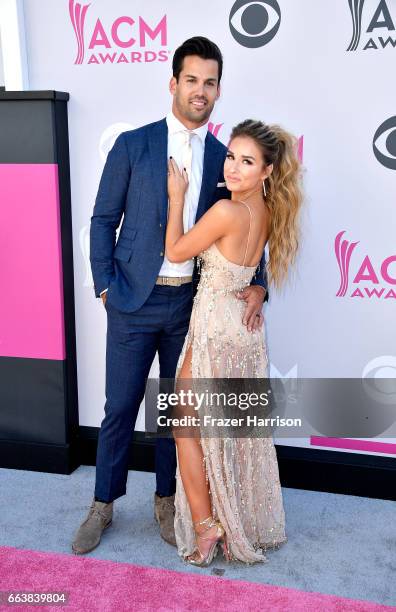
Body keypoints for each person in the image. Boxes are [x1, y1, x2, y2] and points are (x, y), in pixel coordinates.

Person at [72, 37, 269, 555]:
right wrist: (105, 284)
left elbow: (248, 218)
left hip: (190, 306)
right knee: (120, 407)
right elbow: (101, 220)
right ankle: (103, 503)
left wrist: (259, 283)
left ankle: (166, 500)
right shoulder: (133, 145)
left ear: (218, 90)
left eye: (209, 82)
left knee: (173, 412)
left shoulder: (228, 159)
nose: (199, 91)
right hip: (132, 300)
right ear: (173, 83)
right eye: (191, 80)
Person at [165, 118, 303, 565]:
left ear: (266, 171)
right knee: (234, 433)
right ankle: (238, 518)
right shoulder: (266, 211)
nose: (233, 168)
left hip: (214, 331)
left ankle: (207, 529)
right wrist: (259, 288)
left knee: (185, 427)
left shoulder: (226, 211)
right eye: (231, 157)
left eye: (247, 162)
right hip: (243, 334)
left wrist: (177, 198)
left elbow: (176, 251)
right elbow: (250, 266)